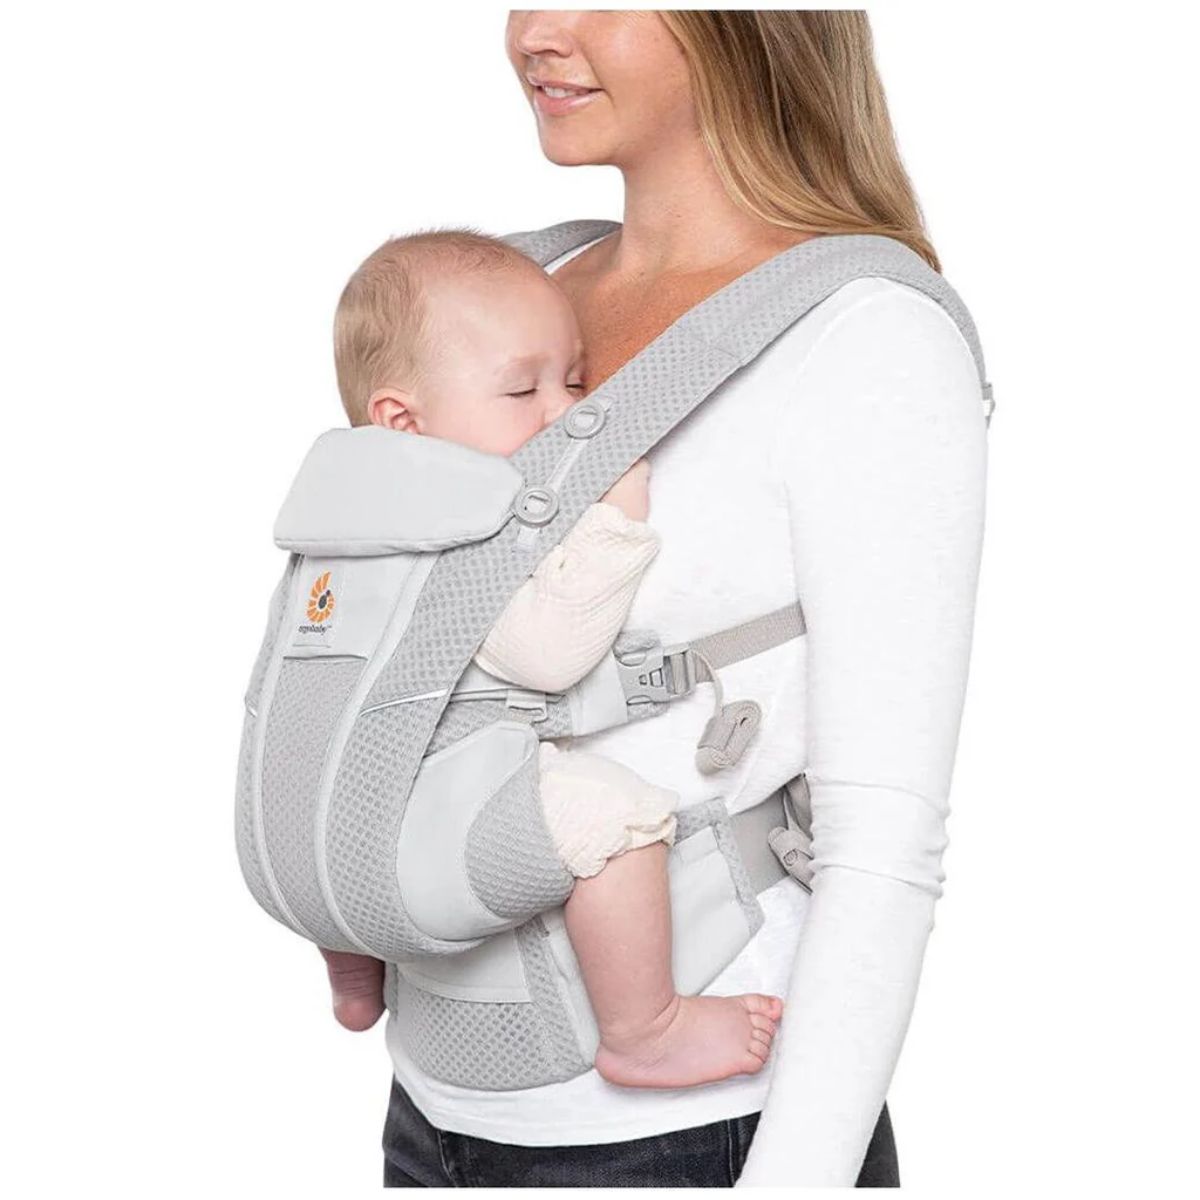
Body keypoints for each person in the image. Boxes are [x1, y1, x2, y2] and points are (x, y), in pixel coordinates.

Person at [325, 11, 987, 1187]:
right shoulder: (501, 296)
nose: (538, 30)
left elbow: (884, 842)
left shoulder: (863, 339)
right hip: (436, 1107)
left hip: (693, 1139)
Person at [326, 228, 785, 1088]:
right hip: (436, 784)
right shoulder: (450, 530)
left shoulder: (336, 515)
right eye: (521, 389)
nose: (564, 412)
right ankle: (645, 1029)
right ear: (402, 421)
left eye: (574, 382)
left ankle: (354, 968)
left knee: (332, 816)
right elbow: (547, 656)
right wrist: (614, 522)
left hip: (337, 800)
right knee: (619, 817)